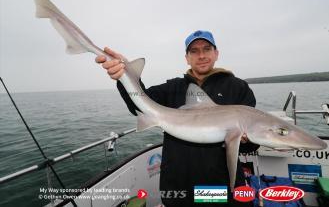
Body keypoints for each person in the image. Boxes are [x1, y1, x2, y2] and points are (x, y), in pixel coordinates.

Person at [95, 30, 259, 207]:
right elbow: (139, 105)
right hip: (178, 185)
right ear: (187, 58)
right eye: (194, 51)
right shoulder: (173, 87)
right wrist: (125, 76)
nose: (201, 55)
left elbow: (251, 143)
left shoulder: (238, 88)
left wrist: (246, 139)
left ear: (216, 53)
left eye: (207, 49)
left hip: (219, 185)